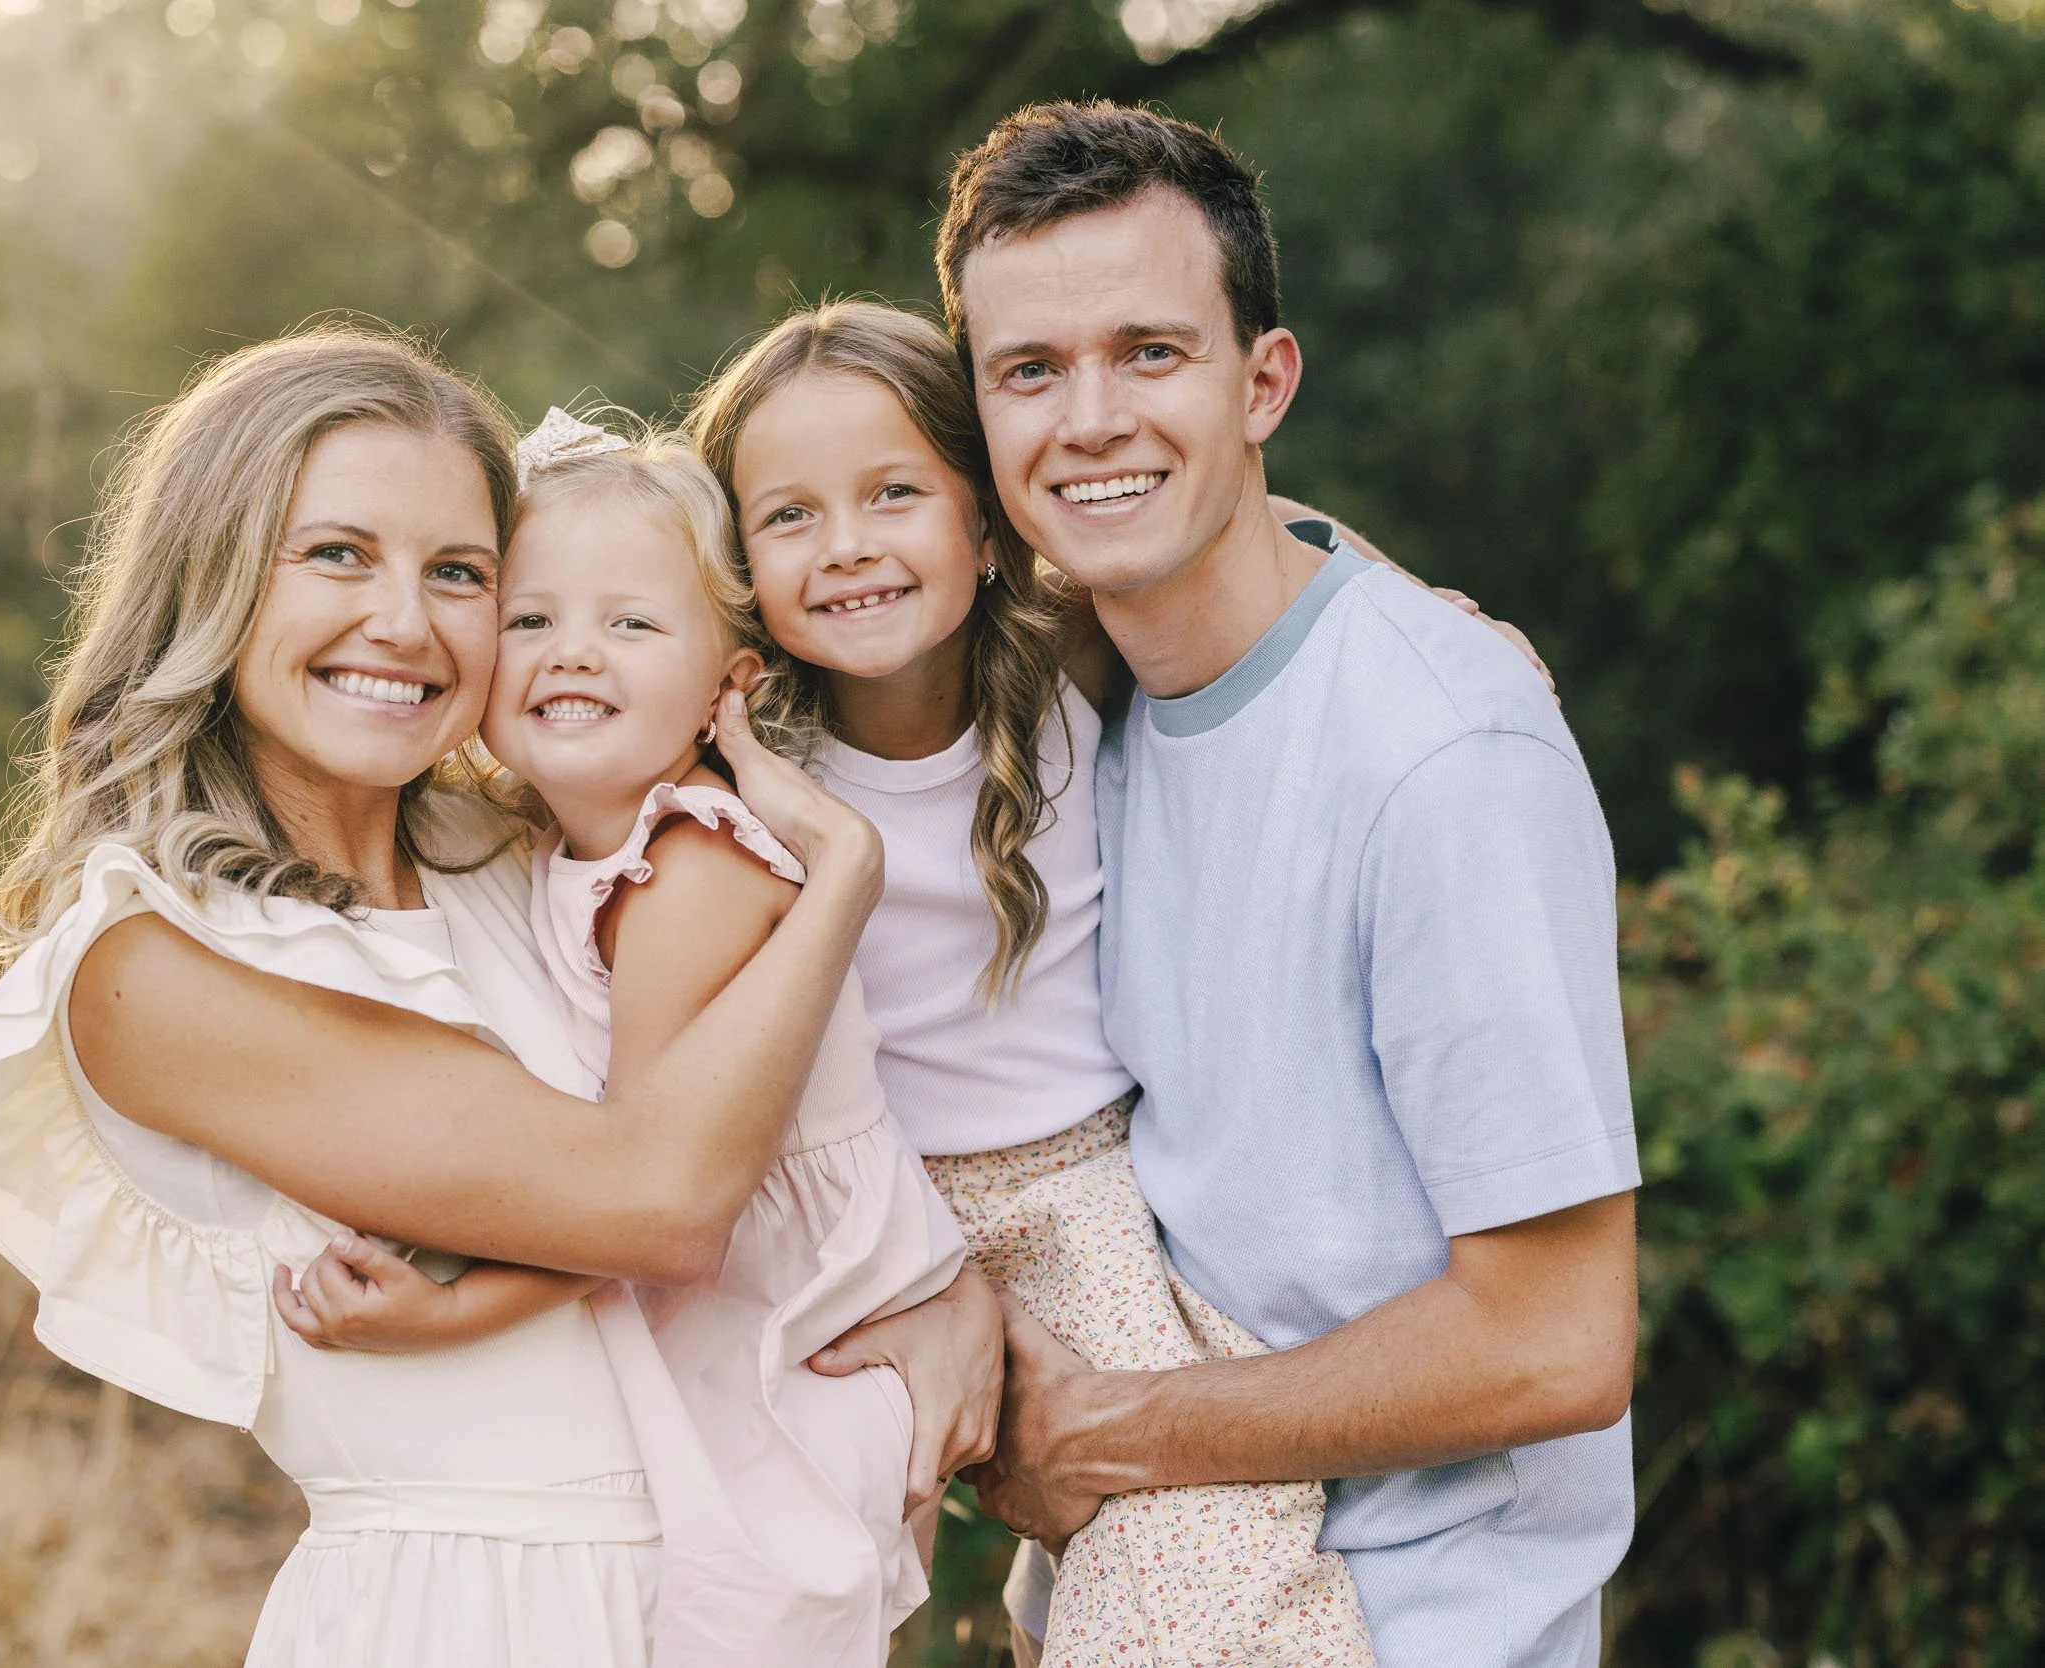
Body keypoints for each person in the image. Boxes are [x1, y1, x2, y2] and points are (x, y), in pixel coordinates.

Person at [0, 323, 994, 1668]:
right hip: (473, 1616)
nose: (405, 624)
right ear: (218, 577)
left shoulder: (531, 855)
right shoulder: (155, 966)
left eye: (461, 574)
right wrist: (843, 877)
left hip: (720, 1598)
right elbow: (656, 1198)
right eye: (337, 555)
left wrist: (948, 1301)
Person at [937, 103, 1642, 1667]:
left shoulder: (1445, 759)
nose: (1092, 418)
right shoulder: (1066, 715)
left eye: (1152, 352)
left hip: (1409, 1630)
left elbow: (1558, 1342)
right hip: (1149, 1609)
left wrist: (1113, 1433)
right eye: (1030, 371)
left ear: (1266, 382)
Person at [685, 302, 1377, 1666]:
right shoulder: (735, 761)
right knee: (760, 1578)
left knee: (1202, 1536)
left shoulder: (1069, 660)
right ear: (736, 559)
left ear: (987, 514)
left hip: (1076, 1196)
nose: (849, 548)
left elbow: (1236, 527)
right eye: (790, 517)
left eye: (895, 494)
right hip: (852, 1218)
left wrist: (1412, 603)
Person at [273, 412, 966, 1666]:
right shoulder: (555, 844)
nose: (571, 654)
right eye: (530, 621)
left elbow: (635, 1200)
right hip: (706, 1306)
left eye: (631, 624)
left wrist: (450, 1315)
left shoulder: (688, 866)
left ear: (728, 684)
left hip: (785, 1332)